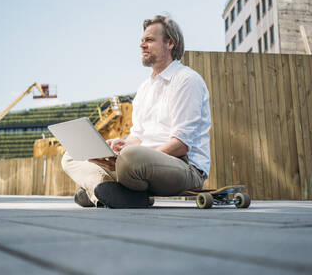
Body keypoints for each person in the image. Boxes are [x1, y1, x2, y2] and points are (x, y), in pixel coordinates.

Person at [61, 15, 211, 208]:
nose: (142, 45)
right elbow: (138, 136)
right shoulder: (144, 88)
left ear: (170, 43)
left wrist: (126, 156)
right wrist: (120, 146)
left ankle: (99, 191)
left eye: (149, 40)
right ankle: (105, 190)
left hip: (184, 167)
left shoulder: (186, 80)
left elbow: (180, 145)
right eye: (141, 41)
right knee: (71, 155)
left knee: (130, 158)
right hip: (137, 166)